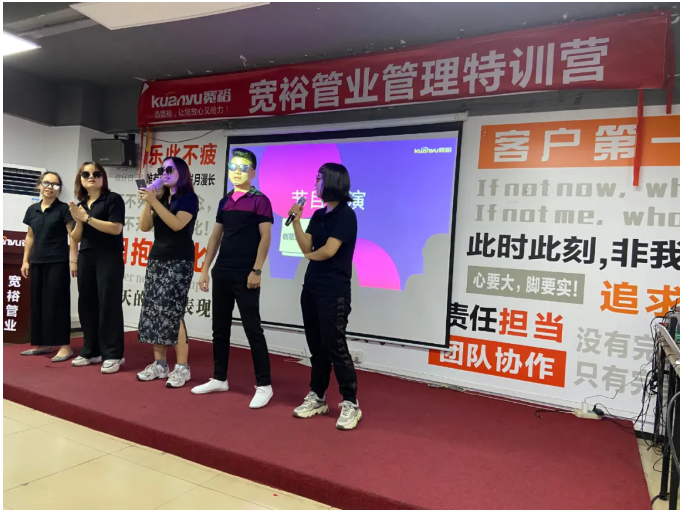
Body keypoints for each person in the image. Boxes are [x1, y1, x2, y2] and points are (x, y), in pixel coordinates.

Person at [192, 148, 274, 409]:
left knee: (253, 329)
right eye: (233, 167)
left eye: (243, 168)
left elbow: (266, 238)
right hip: (222, 271)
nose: (237, 172)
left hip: (246, 273)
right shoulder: (225, 200)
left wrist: (257, 270)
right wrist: (205, 269)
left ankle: (264, 385)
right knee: (219, 327)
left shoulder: (260, 200)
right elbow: (215, 236)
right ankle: (219, 378)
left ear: (253, 172)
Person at [288, 163, 361, 430]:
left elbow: (328, 251)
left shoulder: (346, 215)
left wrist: (309, 256)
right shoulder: (319, 214)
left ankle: (350, 402)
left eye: (319, 178)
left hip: (334, 291)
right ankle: (317, 396)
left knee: (334, 346)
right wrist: (297, 222)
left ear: (332, 182)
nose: (315, 183)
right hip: (312, 288)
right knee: (316, 346)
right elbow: (307, 245)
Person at [136, 157, 198, 388]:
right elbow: (144, 226)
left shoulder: (188, 198)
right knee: (155, 310)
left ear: (181, 171)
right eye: (162, 170)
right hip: (158, 258)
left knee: (172, 311)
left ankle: (182, 368)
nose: (164, 173)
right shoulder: (160, 198)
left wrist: (154, 200)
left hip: (179, 259)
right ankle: (160, 364)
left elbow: (176, 224)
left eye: (169, 169)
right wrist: (149, 201)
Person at [68, 162, 126, 374]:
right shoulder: (80, 204)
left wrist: (87, 218)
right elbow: (75, 237)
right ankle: (91, 350)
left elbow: (115, 228)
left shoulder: (113, 199)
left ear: (103, 178)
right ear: (80, 180)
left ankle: (113, 354)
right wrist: (79, 220)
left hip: (108, 256)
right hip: (86, 256)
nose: (90, 176)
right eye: (85, 174)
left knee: (108, 303)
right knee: (87, 303)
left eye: (96, 173)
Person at [20, 172, 78, 362]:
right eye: (46, 183)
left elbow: (73, 236)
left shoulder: (63, 209)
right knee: (38, 304)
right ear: (39, 185)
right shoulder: (32, 210)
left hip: (57, 262)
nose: (50, 187)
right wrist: (25, 260)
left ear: (59, 189)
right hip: (37, 261)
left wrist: (73, 260)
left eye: (55, 184)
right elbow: (30, 236)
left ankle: (65, 346)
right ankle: (43, 343)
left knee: (57, 303)